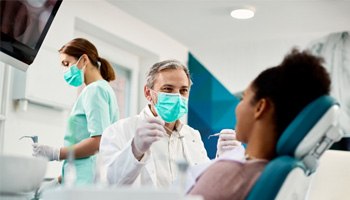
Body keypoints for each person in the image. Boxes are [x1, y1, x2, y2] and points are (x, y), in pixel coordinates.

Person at [187, 48, 331, 200]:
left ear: (260, 108)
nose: (237, 107)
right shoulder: (271, 172)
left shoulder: (229, 174)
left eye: (243, 98)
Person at [100, 60, 238, 188]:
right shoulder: (120, 130)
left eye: (183, 90)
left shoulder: (192, 135)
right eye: (168, 89)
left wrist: (222, 160)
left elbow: (203, 185)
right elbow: (110, 184)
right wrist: (135, 150)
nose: (177, 96)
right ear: (148, 93)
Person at [32, 38, 119, 186]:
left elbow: (98, 142)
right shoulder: (103, 89)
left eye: (67, 64)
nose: (66, 71)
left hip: (86, 183)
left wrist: (56, 153)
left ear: (84, 59)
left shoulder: (95, 90)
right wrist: (58, 181)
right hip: (83, 178)